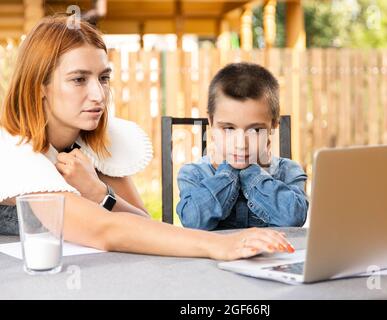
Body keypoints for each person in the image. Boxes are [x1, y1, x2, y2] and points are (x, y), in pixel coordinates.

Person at [0, 15, 294, 260]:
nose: (98, 94)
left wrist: (100, 193)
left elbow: (142, 224)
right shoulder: (13, 149)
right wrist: (219, 244)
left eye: (103, 78)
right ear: (40, 85)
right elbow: (106, 230)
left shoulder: (95, 140)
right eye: (79, 79)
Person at [176, 63, 309, 231]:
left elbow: (294, 218)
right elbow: (193, 221)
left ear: (273, 125)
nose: (240, 144)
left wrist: (251, 173)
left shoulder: (288, 170)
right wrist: (228, 173)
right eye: (229, 129)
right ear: (211, 122)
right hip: (218, 258)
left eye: (254, 130)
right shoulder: (193, 173)